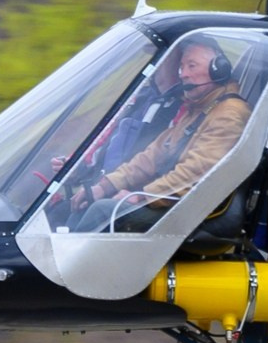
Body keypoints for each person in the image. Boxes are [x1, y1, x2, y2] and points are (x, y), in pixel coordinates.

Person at [62, 35, 250, 230]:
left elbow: (195, 174)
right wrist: (104, 186)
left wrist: (142, 195)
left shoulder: (229, 114)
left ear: (218, 69)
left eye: (191, 66)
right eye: (181, 67)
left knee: (102, 210)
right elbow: (150, 157)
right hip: (176, 204)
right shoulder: (198, 110)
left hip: (196, 215)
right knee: (86, 205)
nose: (183, 74)